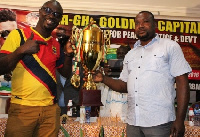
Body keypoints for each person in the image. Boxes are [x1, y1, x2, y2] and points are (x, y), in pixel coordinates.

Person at [93, 11, 192, 137]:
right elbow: (124, 86)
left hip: (159, 122)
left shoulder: (169, 47)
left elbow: (182, 82)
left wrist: (180, 120)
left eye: (145, 21)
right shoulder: (131, 54)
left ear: (154, 24)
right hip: (133, 122)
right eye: (137, 23)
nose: (141, 26)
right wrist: (103, 78)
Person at [0, 1, 73, 137]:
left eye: (56, 14)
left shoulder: (56, 45)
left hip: (50, 112)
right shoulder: (18, 35)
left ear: (59, 20)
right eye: (48, 10)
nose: (51, 15)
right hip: (22, 109)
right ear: (40, 12)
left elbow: (66, 73)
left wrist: (68, 54)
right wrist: (21, 50)